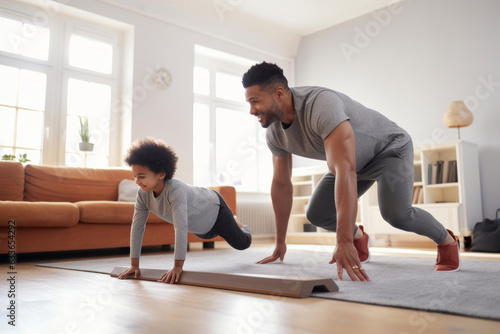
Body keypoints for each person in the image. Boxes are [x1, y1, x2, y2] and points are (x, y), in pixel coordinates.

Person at [242, 62, 461, 282]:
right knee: (317, 213)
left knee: (396, 215)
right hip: (354, 160)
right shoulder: (274, 133)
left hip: (389, 149)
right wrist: (280, 241)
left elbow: (345, 171)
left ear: (279, 93)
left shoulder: (321, 105)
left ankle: (447, 241)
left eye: (255, 102)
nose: (252, 111)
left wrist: (343, 241)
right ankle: (360, 236)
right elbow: (281, 185)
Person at [117, 137, 252, 283]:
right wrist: (134, 265)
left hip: (215, 211)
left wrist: (177, 266)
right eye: (134, 176)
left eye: (141, 176)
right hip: (200, 227)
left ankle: (238, 223)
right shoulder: (142, 194)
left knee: (243, 244)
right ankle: (233, 221)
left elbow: (180, 228)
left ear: (161, 174)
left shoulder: (176, 190)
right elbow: (137, 227)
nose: (137, 181)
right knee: (206, 236)